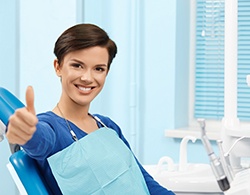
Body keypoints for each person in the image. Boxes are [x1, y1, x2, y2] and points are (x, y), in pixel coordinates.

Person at [6, 23, 175, 195]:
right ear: (58, 67)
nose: (87, 78)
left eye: (98, 69)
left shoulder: (107, 126)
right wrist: (27, 132)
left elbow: (144, 182)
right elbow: (39, 141)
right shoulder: (50, 127)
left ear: (106, 73)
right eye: (77, 65)